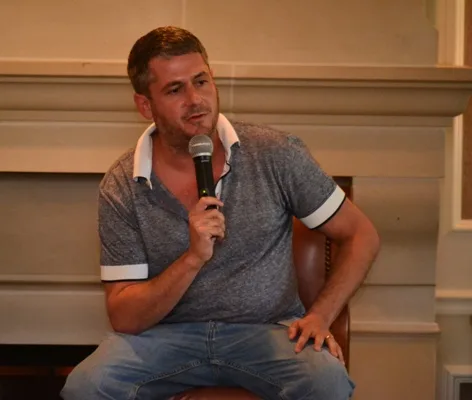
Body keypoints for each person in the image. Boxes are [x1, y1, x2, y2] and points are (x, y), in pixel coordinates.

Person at [61, 26, 380, 400]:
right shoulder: (122, 184)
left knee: (326, 381)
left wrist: (321, 316)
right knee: (87, 386)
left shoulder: (275, 153)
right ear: (145, 106)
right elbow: (125, 317)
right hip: (164, 338)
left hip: (267, 332)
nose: (195, 100)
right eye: (175, 90)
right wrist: (193, 258)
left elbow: (361, 235)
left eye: (201, 81)